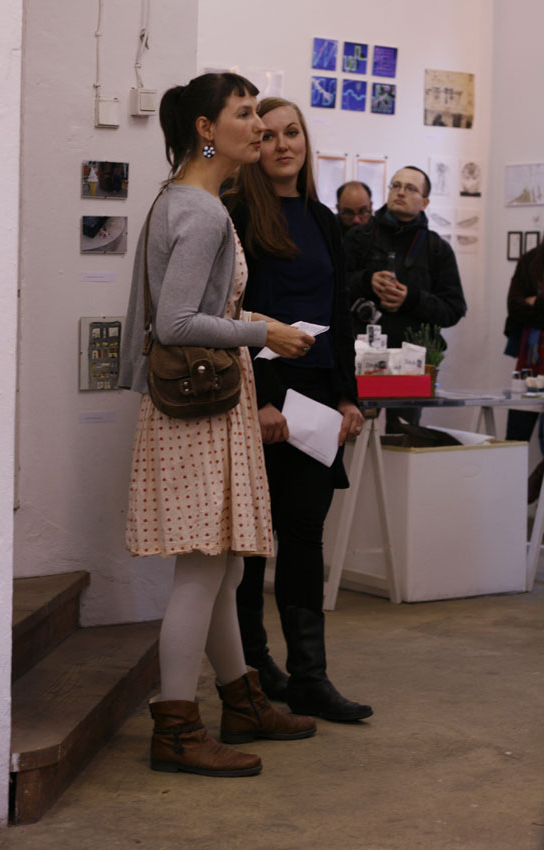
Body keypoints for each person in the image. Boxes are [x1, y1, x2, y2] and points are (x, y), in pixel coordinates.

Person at [118, 73, 318, 779]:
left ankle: (242, 702)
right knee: (204, 570)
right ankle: (176, 729)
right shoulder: (201, 212)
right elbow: (176, 323)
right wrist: (264, 331)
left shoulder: (179, 199)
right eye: (244, 114)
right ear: (207, 129)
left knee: (224, 564)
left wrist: (258, 327)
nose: (259, 127)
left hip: (198, 407)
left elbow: (179, 317)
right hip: (200, 411)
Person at [224, 97, 373, 723]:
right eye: (269, 135)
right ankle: (254, 672)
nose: (283, 144)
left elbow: (339, 315)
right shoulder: (237, 213)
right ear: (253, 144)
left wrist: (348, 396)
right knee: (253, 542)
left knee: (306, 535)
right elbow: (235, 312)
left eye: (293, 133)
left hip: (316, 400)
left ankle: (311, 678)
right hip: (261, 394)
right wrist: (260, 399)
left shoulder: (322, 219)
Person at [344, 165, 467, 430]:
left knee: (403, 440)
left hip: (412, 364)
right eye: (396, 186)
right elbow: (331, 288)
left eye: (410, 188)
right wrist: (367, 281)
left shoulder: (437, 249)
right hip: (358, 359)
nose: (401, 192)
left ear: (425, 202)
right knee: (352, 438)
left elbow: (454, 309)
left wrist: (412, 299)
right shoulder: (358, 238)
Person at [503, 239, 544, 501]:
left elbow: (525, 307)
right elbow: (514, 307)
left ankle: (534, 489)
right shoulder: (531, 259)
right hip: (529, 363)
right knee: (515, 439)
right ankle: (508, 503)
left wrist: (535, 302)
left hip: (530, 357)